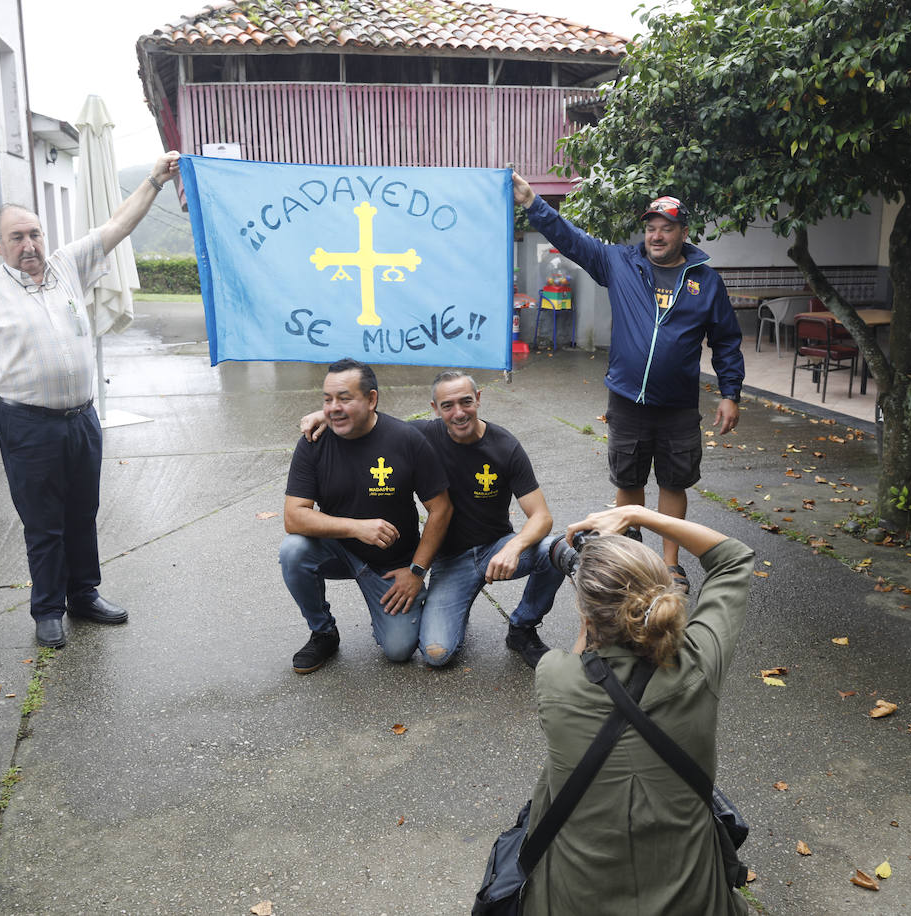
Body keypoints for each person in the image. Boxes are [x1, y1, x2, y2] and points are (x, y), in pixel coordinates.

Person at [0, 151, 181, 648]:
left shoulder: (67, 266)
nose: (29, 244)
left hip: (81, 418)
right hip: (27, 423)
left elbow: (119, 224)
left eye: (35, 233)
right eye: (17, 237)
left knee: (82, 511)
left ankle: (84, 594)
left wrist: (154, 179)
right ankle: (47, 609)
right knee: (43, 520)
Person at [513, 175, 746, 591]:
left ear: (683, 233)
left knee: (674, 483)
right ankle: (632, 559)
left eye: (667, 227)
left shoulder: (705, 280)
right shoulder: (620, 262)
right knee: (628, 480)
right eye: (651, 227)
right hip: (627, 399)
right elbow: (572, 239)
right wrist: (533, 202)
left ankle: (670, 563)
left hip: (677, 404)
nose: (657, 235)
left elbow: (726, 339)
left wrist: (730, 392)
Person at [523, 505, 754, 915]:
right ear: (662, 592)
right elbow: (733, 557)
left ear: (585, 612)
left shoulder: (554, 676)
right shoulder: (698, 663)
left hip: (573, 901)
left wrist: (588, 620)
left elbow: (582, 662)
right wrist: (639, 514)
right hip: (695, 902)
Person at [303, 370, 565, 668]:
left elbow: (541, 516)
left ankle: (523, 628)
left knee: (555, 550)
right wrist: (328, 415)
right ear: (434, 408)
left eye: (466, 402)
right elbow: (369, 419)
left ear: (478, 399)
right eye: (447, 405)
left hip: (496, 548)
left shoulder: (506, 446)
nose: (458, 413)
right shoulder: (420, 435)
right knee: (436, 654)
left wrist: (513, 547)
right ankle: (454, 611)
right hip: (450, 561)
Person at [280, 359, 453, 673]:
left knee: (399, 650)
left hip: (392, 565)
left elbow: (441, 508)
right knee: (293, 551)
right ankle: (323, 632)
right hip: (340, 551)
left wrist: (416, 571)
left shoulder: (406, 440)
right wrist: (356, 528)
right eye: (327, 399)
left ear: (372, 399)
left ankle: (416, 608)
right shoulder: (312, 443)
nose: (333, 408)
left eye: (345, 398)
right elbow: (294, 517)